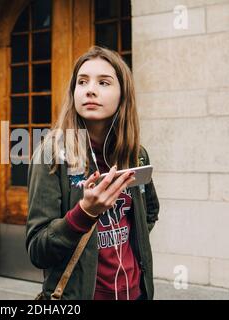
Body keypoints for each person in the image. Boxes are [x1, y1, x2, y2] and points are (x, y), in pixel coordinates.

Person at [26, 46, 160, 300]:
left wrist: (130, 243)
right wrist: (84, 213)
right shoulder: (51, 155)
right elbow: (38, 250)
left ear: (123, 94)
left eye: (104, 82)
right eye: (82, 81)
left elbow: (149, 212)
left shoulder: (136, 153)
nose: (90, 89)